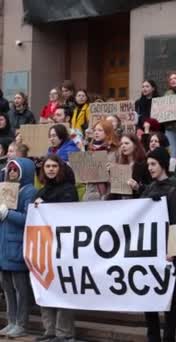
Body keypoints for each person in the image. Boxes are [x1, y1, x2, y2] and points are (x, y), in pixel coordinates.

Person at [140, 147, 176, 342]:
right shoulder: (148, 189)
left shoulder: (175, 191)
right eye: (148, 164)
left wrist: (174, 251)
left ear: (163, 165)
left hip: (168, 254)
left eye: (153, 164)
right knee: (148, 299)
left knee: (169, 302)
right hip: (148, 252)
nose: (150, 168)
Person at [33, 155, 79, 342]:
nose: (50, 169)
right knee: (46, 288)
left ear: (60, 168)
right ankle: (49, 330)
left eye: (54, 166)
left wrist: (47, 207)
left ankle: (64, 332)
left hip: (65, 248)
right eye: (47, 166)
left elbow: (68, 214)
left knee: (63, 290)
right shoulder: (41, 191)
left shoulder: (69, 190)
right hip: (45, 248)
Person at [0, 158, 37, 338]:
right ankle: (11, 321)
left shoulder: (29, 191)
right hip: (4, 245)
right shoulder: (5, 188)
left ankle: (21, 323)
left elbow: (28, 218)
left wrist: (8, 213)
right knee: (6, 286)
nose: (12, 173)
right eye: (10, 170)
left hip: (18, 244)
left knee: (20, 288)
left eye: (15, 170)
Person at [83, 120, 119, 201]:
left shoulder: (116, 151)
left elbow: (120, 176)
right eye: (95, 130)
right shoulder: (89, 151)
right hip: (91, 195)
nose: (96, 132)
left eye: (100, 130)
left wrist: (112, 169)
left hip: (110, 195)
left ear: (108, 132)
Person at [113, 134, 151, 198]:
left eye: (126, 143)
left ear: (135, 145)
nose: (123, 146)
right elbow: (115, 191)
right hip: (121, 203)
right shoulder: (119, 165)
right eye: (121, 144)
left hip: (137, 202)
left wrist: (138, 187)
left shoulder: (144, 164)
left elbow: (151, 187)